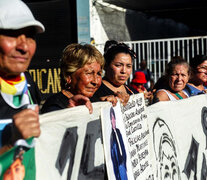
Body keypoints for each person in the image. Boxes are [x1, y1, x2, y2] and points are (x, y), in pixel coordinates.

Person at [0, 0, 45, 153]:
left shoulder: (26, 81)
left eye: (30, 36)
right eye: (12, 34)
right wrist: (11, 144)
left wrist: (68, 112)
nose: (24, 47)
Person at [41, 43, 117, 114]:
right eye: (89, 73)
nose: (95, 81)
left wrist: (105, 105)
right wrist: (69, 112)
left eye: (99, 74)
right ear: (68, 76)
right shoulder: (55, 107)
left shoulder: (95, 99)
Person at [90, 40, 137, 105]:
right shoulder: (94, 91)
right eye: (118, 65)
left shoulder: (133, 92)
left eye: (128, 66)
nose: (124, 71)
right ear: (105, 65)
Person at [110, 107, 127, 180]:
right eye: (111, 119)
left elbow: (122, 146)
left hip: (122, 161)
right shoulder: (110, 135)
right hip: (117, 162)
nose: (113, 121)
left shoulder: (118, 131)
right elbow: (112, 152)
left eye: (114, 118)